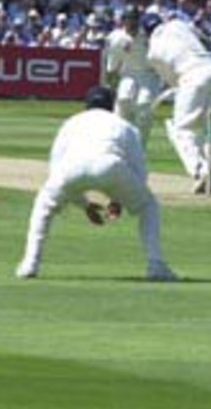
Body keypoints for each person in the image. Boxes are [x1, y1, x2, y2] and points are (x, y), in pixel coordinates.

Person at [15, 86, 177, 282]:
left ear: (87, 105)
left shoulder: (71, 123)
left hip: (71, 167)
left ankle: (30, 264)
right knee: (147, 206)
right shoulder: (124, 125)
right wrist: (119, 199)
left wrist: (83, 204)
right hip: (110, 165)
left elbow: (56, 169)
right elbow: (139, 170)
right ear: (112, 106)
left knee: (44, 205)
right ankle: (156, 265)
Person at [144, 12, 211, 193]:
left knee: (181, 129)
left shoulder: (152, 53)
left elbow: (173, 81)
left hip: (190, 77)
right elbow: (203, 40)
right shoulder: (177, 24)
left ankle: (200, 170)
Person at [103, 5, 160, 144]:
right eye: (129, 20)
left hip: (149, 74)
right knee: (123, 101)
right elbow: (112, 66)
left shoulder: (148, 35)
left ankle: (140, 147)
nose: (131, 24)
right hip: (128, 73)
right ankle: (120, 141)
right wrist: (110, 84)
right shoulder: (116, 38)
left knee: (144, 105)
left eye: (134, 20)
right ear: (124, 21)